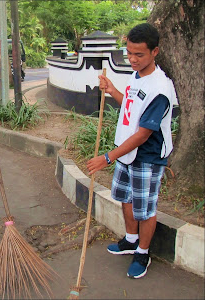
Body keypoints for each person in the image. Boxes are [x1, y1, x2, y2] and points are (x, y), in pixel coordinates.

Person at [87, 23, 177, 278]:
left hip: (146, 157)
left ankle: (143, 252)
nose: (133, 60)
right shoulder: (137, 75)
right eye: (129, 53)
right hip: (126, 152)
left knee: (145, 208)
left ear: (155, 52)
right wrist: (112, 89)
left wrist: (106, 158)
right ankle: (130, 240)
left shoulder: (160, 88)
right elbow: (129, 104)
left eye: (139, 55)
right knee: (126, 198)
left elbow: (143, 134)